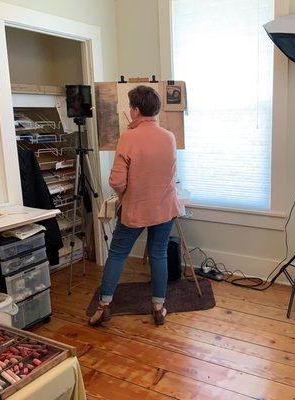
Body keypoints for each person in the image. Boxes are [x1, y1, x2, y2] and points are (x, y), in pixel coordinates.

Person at [88, 85, 182, 327]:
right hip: (164, 208)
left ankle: (104, 306)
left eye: (131, 107)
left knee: (118, 254)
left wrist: (125, 194)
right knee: (158, 254)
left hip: (136, 209)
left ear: (137, 110)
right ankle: (159, 308)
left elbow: (116, 181)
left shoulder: (128, 138)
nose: (130, 111)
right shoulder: (169, 137)